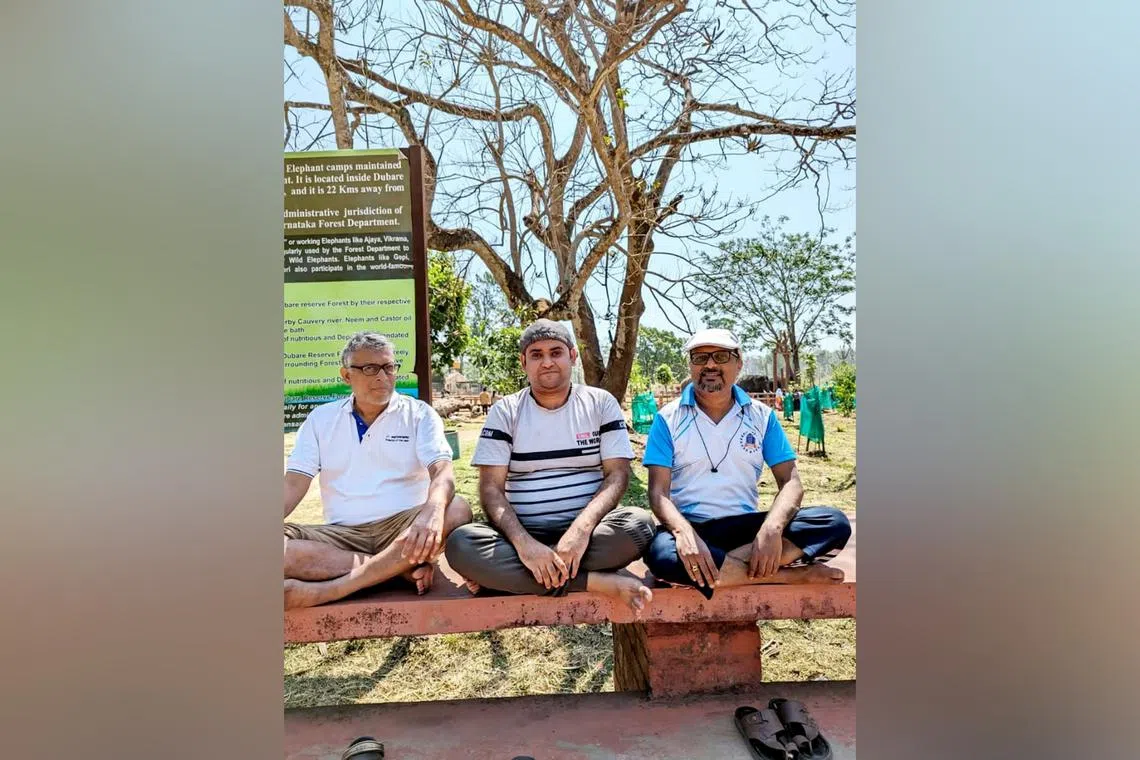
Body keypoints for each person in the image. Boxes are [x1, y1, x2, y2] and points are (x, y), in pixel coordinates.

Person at [445, 319, 655, 617]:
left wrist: (579, 532)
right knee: (461, 545)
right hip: (521, 535)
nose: (547, 362)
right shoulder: (505, 411)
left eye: (556, 352)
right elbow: (491, 488)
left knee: (639, 526)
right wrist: (524, 545)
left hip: (590, 535)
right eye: (536, 354)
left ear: (572, 356)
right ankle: (593, 581)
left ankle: (519, 576)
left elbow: (617, 475)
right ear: (523, 362)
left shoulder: (600, 404)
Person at [642, 328, 850, 598]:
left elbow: (791, 482)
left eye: (720, 356)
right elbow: (658, 494)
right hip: (691, 527)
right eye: (699, 357)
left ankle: (719, 569)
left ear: (739, 362)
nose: (710, 365)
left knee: (833, 523)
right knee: (660, 556)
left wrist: (772, 529)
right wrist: (684, 534)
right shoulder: (667, 419)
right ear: (690, 365)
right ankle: (784, 577)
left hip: (747, 528)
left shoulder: (762, 417)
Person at [283, 331, 472, 609]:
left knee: (456, 508)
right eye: (369, 368)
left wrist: (432, 511)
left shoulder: (419, 414)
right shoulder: (321, 420)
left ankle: (334, 589)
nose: (382, 377)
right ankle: (394, 571)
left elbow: (442, 470)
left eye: (388, 367)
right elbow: (293, 484)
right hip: (342, 537)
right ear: (346, 376)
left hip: (405, 529)